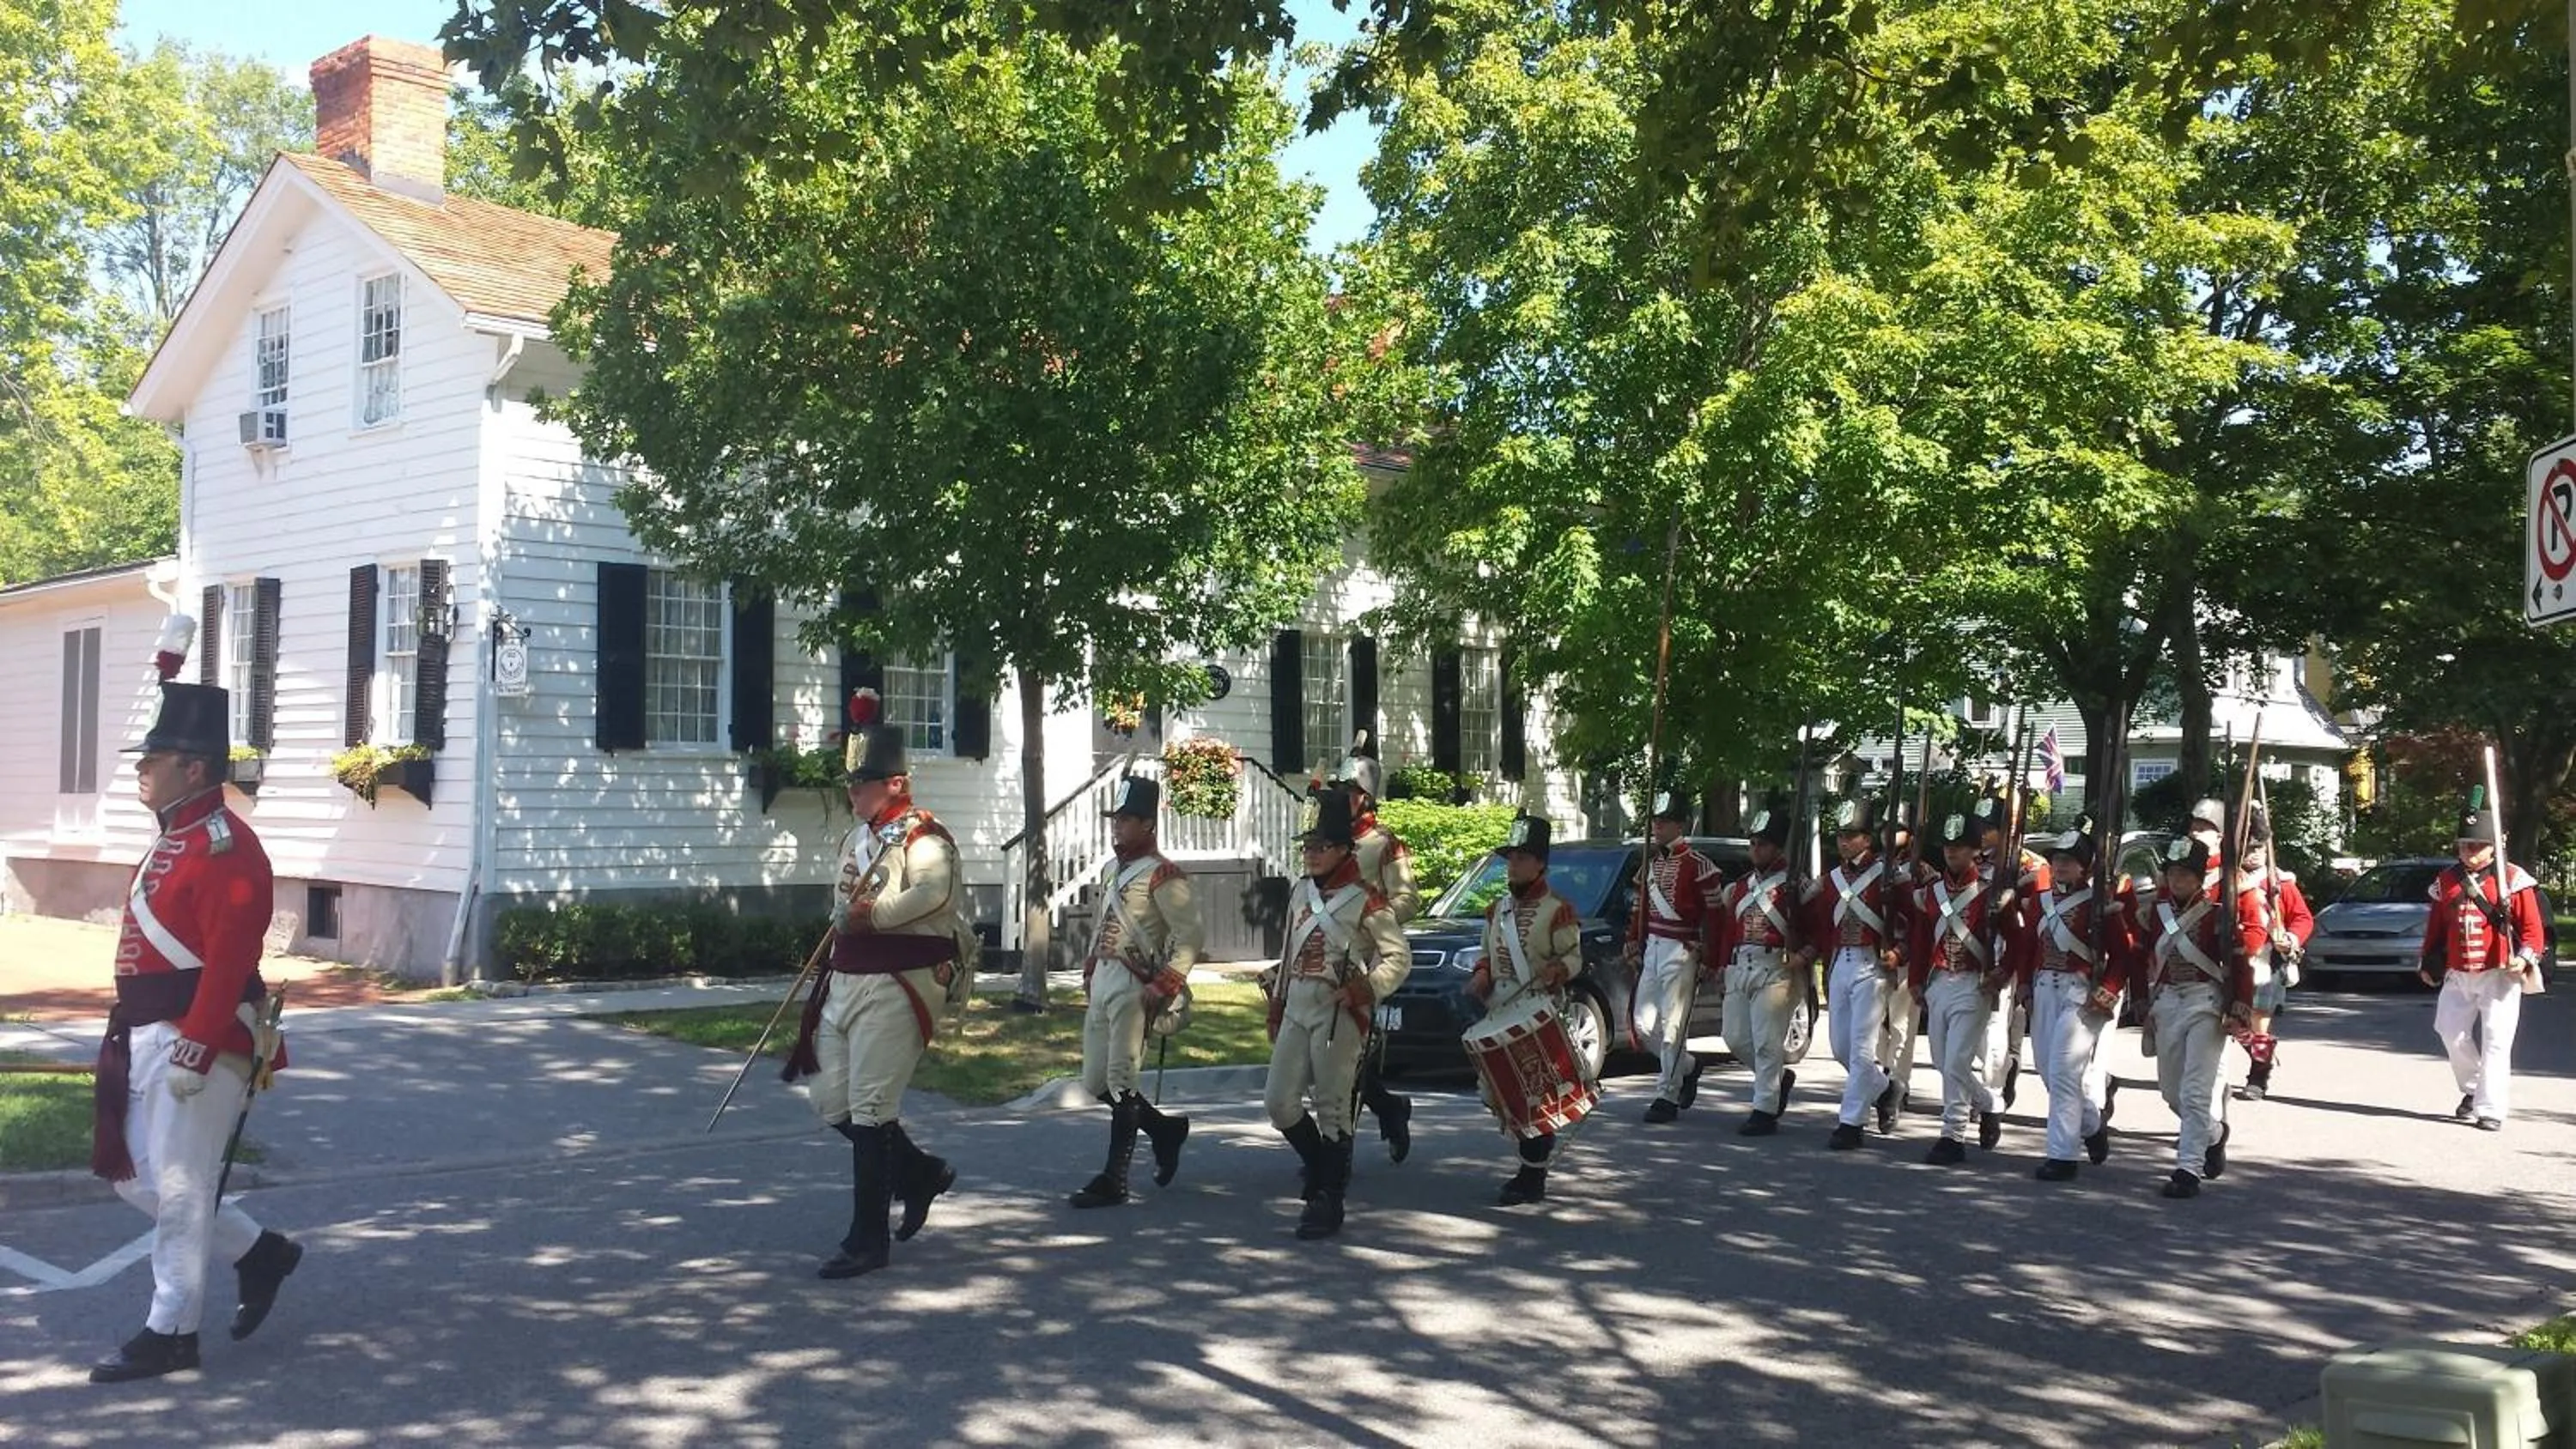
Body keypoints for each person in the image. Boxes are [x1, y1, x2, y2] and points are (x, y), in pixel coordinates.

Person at [86, 656, 301, 1385]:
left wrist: (201, 1043)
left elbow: (231, 951)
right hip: (152, 1030)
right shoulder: (175, 836)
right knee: (134, 1177)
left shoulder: (227, 846)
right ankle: (259, 1253)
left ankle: (171, 1330)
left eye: (155, 759)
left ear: (196, 768)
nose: (142, 769)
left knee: (179, 1190)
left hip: (194, 1037)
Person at [781, 692, 966, 1279]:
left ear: (896, 782)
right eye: (851, 782)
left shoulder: (925, 836)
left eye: (863, 782)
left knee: (869, 1107)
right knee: (830, 1098)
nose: (853, 791)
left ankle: (868, 1239)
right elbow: (843, 901)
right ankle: (920, 1174)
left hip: (901, 979)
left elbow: (931, 894)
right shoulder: (855, 841)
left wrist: (870, 918)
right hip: (848, 978)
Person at [1265, 787, 1411, 1240]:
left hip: (1339, 1011)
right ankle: (1322, 1168)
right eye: (1306, 847)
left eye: (1319, 847)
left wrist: (1365, 989)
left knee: (1332, 1107)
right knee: (1280, 1103)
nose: (1309, 855)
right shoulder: (1299, 893)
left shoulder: (1366, 899)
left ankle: (1330, 1197)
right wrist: (1278, 1001)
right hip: (1297, 1008)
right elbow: (1290, 950)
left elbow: (1397, 957)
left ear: (1344, 850)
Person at [1066, 775, 1202, 1208]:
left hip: (1134, 982)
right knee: (1095, 1081)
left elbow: (1189, 936)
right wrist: (1090, 963)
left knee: (1122, 1080)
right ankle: (1164, 1131)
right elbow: (1105, 919)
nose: (1117, 827)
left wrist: (1167, 982)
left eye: (1126, 820)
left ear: (1147, 824)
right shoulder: (1112, 870)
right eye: (1116, 819)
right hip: (1105, 976)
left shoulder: (1164, 875)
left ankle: (1115, 1178)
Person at [2131, 836, 2260, 1199]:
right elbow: (2140, 960)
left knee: (2194, 1091)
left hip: (2206, 1002)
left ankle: (2188, 1168)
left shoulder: (2218, 914)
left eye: (2185, 875)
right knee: (2172, 1092)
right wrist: (2140, 999)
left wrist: (2239, 1005)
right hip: (2168, 1002)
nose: (2177, 881)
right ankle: (2215, 1134)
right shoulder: (2153, 915)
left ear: (2199, 878)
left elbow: (2239, 964)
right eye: (2173, 874)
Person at [1464, 814, 1583, 1204]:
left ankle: (1532, 1174)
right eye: (1510, 857)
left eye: (1521, 857)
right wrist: (1481, 973)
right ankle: (1530, 1164)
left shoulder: (1557, 909)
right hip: (1500, 1006)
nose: (1512, 864)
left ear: (1540, 864)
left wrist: (1556, 970)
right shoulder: (1496, 909)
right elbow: (1486, 953)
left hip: (1535, 1006)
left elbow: (1574, 957)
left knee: (1533, 1092)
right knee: (1494, 1090)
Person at [2419, 797, 2548, 1132]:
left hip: (2499, 974)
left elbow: (2534, 932)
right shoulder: (2447, 880)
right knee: (2450, 1031)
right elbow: (2436, 926)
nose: (2470, 853)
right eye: (2464, 846)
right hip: (2458, 972)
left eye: (2477, 846)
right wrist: (2428, 960)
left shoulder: (2514, 879)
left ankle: (2490, 1109)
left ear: (2493, 846)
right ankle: (2474, 1090)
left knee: (2496, 1039)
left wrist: (2523, 958)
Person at [2014, 817, 2129, 1180]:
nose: (2061, 865)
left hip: (2081, 994)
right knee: (2051, 1073)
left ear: (2084, 867)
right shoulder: (2041, 901)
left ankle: (2062, 1156)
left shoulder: (2099, 903)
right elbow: (2027, 947)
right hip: (2045, 988)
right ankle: (2092, 1126)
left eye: (2069, 860)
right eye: (2057, 859)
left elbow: (2122, 954)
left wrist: (2108, 990)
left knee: (2064, 1072)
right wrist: (2024, 987)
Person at [1336, 739, 1424, 1162]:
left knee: (1347, 1056)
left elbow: (1408, 899)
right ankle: (1391, 1109)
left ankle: (1338, 1153)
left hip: (1367, 959)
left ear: (1365, 798)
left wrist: (1374, 923)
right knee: (1330, 1056)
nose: (1341, 798)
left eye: (1348, 792)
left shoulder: (1384, 843)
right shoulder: (1324, 841)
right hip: (1325, 960)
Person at [1802, 798, 1903, 1149]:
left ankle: (1851, 1122)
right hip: (1838, 965)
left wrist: (1898, 952)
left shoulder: (1887, 875)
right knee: (1840, 1048)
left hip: (1871, 965)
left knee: (1861, 1049)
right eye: (1841, 835)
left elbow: (1911, 923)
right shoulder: (1830, 880)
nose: (1844, 842)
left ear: (1867, 839)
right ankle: (1885, 1087)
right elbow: (1816, 922)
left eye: (1852, 835)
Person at [1908, 811, 2008, 1164]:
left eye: (1960, 847)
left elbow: (2017, 939)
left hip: (1972, 983)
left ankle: (1952, 1135)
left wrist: (2002, 974)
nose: (1952, 853)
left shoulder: (1989, 892)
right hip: (1938, 982)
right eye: (1948, 847)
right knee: (1942, 1060)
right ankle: (1989, 1102)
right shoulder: (1931, 893)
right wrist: (1916, 980)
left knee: (1956, 1061)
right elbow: (1921, 940)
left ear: (1973, 851)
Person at [1624, 791, 1723, 1123]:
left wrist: (1709, 954)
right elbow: (1639, 910)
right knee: (1642, 1024)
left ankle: (1666, 1093)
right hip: (1654, 946)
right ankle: (1690, 1067)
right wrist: (1633, 942)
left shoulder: (1699, 865)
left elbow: (1714, 915)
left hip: (1682, 949)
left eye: (1663, 822)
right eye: (1655, 821)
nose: (1657, 827)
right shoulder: (1649, 866)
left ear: (1679, 825)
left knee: (1672, 1028)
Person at [1718, 809, 1803, 1136]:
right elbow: (1730, 931)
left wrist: (1805, 954)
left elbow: (1813, 929)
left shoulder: (1795, 885)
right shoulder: (1739, 888)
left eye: (1763, 844)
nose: (1755, 849)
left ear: (1777, 848)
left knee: (1767, 1043)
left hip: (1776, 968)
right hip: (1741, 965)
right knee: (1736, 1038)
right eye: (1752, 843)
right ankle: (1778, 1080)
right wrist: (1722, 964)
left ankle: (1764, 1109)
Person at [1971, 795, 2050, 1113]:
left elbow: (2037, 916)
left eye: (1989, 828)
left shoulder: (2031, 865)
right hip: (1975, 952)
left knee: (1997, 1025)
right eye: (1980, 827)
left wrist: (2013, 897)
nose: (1982, 834)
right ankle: (2001, 1073)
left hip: (2010, 951)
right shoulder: (1973, 862)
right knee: (1978, 1030)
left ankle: (1992, 1090)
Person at [2232, 807, 2314, 1102]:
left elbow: (2303, 919)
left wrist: (2290, 939)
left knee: (2259, 1018)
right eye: (2247, 848)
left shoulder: (2280, 883)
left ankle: (2257, 1075)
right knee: (2233, 1021)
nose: (2253, 854)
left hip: (2268, 958)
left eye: (2258, 847)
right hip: (2236, 957)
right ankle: (2263, 1055)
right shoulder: (2229, 882)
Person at [1875, 804, 1927, 1131]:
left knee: (1901, 1025)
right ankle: (1883, 1078)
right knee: (1877, 1028)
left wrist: (1904, 953)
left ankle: (1899, 1081)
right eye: (1885, 828)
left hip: (1904, 957)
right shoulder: (1873, 868)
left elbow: (1924, 922)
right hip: (1873, 957)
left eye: (1896, 828)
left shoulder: (1922, 872)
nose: (1888, 834)